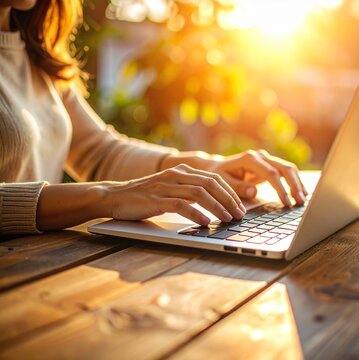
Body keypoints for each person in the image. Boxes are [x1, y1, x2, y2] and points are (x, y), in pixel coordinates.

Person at [0, 0, 307, 235]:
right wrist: (104, 197)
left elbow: (99, 152)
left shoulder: (34, 53)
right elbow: (103, 180)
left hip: (43, 269)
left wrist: (205, 165)